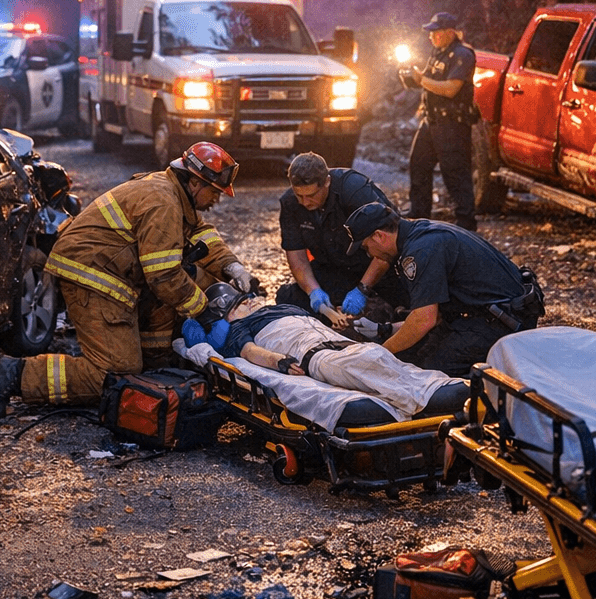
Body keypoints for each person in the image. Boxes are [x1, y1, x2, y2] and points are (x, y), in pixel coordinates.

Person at [0, 142, 254, 416]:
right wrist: (202, 310)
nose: (217, 200)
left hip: (105, 274)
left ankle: (152, 371)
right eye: (215, 192)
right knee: (116, 373)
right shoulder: (164, 202)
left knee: (176, 299)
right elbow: (164, 275)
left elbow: (200, 234)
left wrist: (231, 267)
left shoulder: (172, 193)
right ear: (195, 182)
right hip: (92, 277)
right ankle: (13, 374)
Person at [180, 284, 467, 424]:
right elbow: (249, 352)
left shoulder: (284, 308)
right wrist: (277, 361)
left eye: (251, 297)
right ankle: (425, 398)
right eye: (244, 302)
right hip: (316, 356)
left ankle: (429, 389)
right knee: (369, 362)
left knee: (376, 357)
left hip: (340, 344)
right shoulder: (241, 327)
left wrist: (335, 314)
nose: (254, 301)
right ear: (228, 314)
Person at [344, 201, 544, 378]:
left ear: (379, 236)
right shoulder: (418, 231)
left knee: (431, 373)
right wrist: (385, 329)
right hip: (496, 311)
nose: (369, 255)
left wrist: (381, 354)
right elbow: (436, 311)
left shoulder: (420, 251)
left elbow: (425, 319)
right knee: (412, 352)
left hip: (503, 321)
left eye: (366, 247)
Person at [275, 151, 407, 327]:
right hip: (334, 269)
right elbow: (296, 255)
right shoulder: (290, 203)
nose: (305, 202)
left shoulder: (355, 191)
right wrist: (313, 291)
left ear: (327, 182)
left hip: (376, 267)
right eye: (300, 196)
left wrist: (362, 289)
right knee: (288, 298)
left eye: (312, 195)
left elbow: (388, 244)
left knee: (403, 307)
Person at [400, 12, 478, 230]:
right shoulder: (439, 53)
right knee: (419, 163)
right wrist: (410, 77)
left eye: (435, 33)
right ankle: (419, 211)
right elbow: (428, 80)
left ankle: (466, 221)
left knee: (455, 171)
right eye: (430, 33)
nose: (431, 37)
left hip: (452, 123)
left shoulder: (462, 55)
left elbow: (451, 89)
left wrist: (421, 80)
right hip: (432, 120)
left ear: (449, 33)